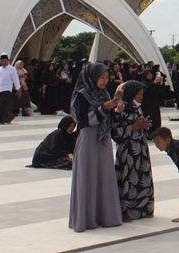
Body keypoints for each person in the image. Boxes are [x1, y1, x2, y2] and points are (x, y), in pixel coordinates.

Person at [69, 62, 123, 232]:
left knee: (103, 176)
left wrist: (116, 110)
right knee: (89, 177)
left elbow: (110, 120)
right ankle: (87, 219)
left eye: (107, 77)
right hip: (89, 140)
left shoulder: (105, 94)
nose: (105, 80)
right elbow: (82, 121)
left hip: (103, 141)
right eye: (101, 77)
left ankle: (106, 217)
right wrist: (103, 108)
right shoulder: (82, 95)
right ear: (92, 77)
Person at [111, 80, 154, 222]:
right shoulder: (121, 110)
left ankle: (145, 209)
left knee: (143, 178)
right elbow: (115, 133)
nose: (141, 97)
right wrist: (134, 127)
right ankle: (127, 212)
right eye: (138, 94)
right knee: (129, 180)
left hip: (140, 149)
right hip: (127, 152)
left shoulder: (138, 109)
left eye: (142, 94)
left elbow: (139, 125)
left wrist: (144, 126)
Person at [0, 53, 19, 124]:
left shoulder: (12, 69)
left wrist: (18, 88)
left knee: (4, 105)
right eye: (2, 61)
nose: (3, 62)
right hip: (0, 89)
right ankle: (5, 118)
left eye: (5, 61)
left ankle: (4, 118)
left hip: (7, 89)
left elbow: (15, 79)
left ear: (8, 60)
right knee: (2, 105)